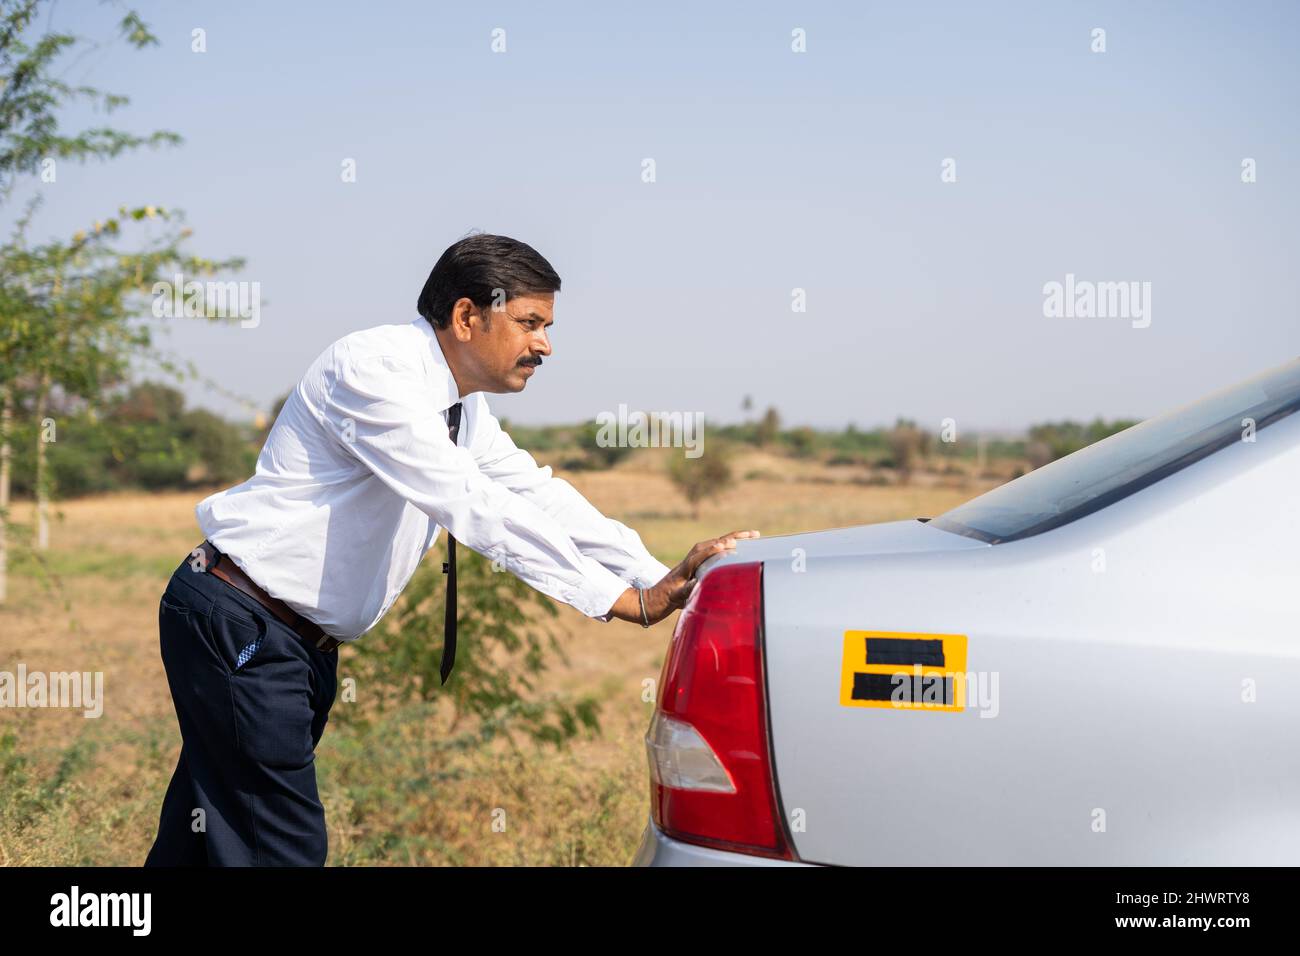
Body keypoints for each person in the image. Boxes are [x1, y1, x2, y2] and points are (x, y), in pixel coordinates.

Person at [143, 232, 758, 866]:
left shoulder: (460, 408)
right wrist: (622, 600)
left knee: (207, 832)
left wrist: (658, 574)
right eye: (529, 323)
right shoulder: (373, 370)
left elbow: (532, 492)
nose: (544, 344)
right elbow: (470, 503)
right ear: (467, 316)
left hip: (289, 638)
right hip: (243, 623)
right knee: (278, 845)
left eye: (546, 326)